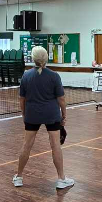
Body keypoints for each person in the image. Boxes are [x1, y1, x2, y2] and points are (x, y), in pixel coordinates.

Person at [14, 46, 73, 190]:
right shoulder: (54, 76)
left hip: (32, 114)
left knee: (26, 145)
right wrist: (64, 115)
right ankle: (61, 179)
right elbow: (61, 99)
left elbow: (22, 99)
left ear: (33, 59)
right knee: (56, 145)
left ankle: (19, 177)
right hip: (51, 114)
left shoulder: (26, 75)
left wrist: (24, 114)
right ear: (46, 59)